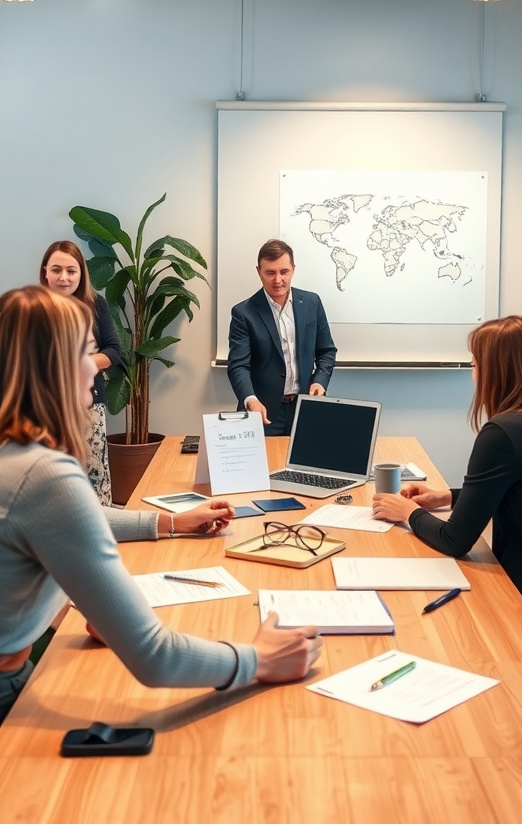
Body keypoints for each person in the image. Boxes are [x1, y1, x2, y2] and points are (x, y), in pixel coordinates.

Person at [0, 286, 322, 723]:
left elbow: (79, 519)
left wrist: (171, 523)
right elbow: (153, 657)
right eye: (87, 354)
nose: (96, 371)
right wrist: (259, 658)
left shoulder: (13, 456)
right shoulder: (44, 474)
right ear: (54, 367)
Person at [372, 315, 522, 617]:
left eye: (474, 365)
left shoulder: (505, 433)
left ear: (497, 372)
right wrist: (450, 497)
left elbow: (455, 540)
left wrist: (409, 513)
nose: (473, 374)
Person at [228, 239, 337, 435]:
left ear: (293, 269)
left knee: (304, 465)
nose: (278, 280)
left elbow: (326, 351)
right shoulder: (244, 313)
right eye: (270, 272)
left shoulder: (312, 302)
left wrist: (320, 381)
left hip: (305, 408)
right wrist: (250, 399)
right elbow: (238, 366)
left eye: (284, 272)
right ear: (259, 272)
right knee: (265, 466)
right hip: (262, 412)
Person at [40, 240, 120, 506]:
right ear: (45, 272)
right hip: (44, 409)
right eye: (56, 270)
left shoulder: (96, 304)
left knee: (93, 479)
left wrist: (78, 362)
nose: (64, 277)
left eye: (71, 271)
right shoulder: (32, 308)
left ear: (81, 274)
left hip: (89, 406)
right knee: (52, 485)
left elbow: (113, 351)